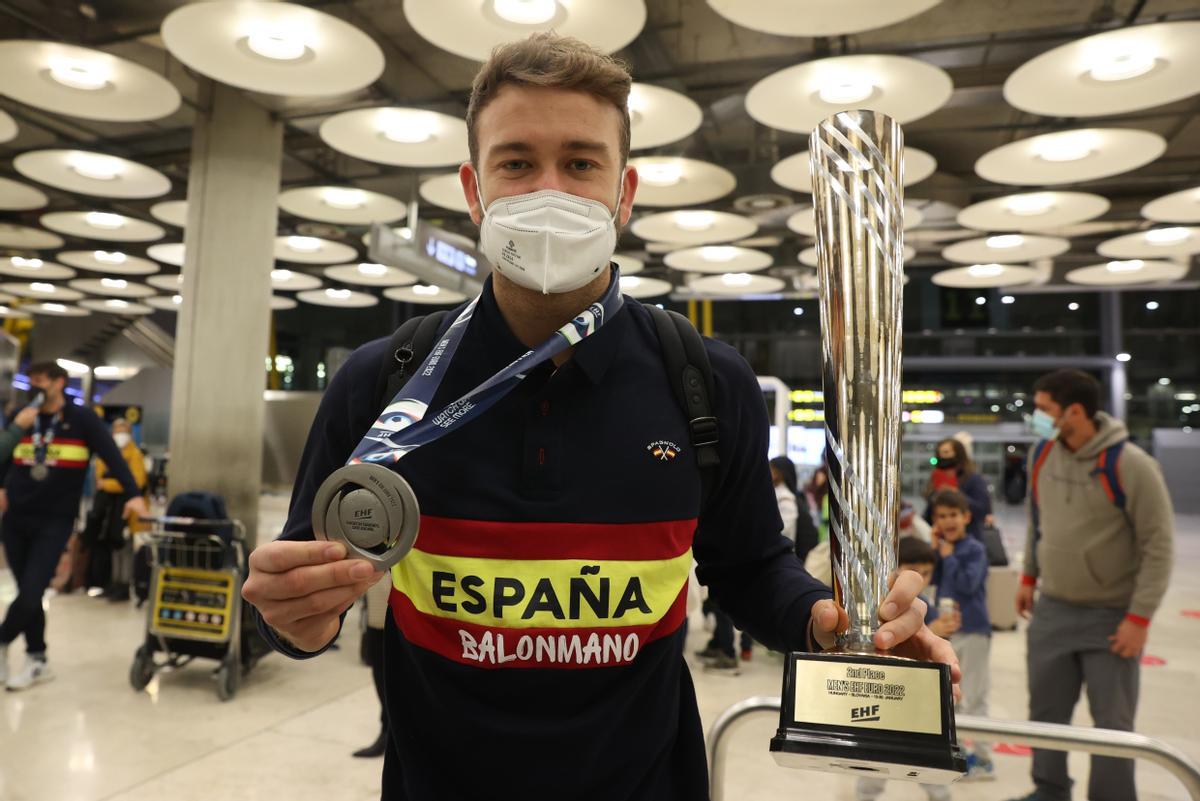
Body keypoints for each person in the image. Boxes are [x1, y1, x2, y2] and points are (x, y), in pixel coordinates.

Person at [242, 33, 958, 801]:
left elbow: (747, 566)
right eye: (516, 162)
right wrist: (294, 621)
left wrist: (829, 619)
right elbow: (302, 581)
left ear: (625, 191)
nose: (549, 189)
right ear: (473, 190)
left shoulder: (703, 382)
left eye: (581, 162)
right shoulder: (382, 382)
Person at [1010, 369, 1174, 801]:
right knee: (1045, 714)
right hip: (1053, 610)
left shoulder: (1131, 465)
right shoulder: (1043, 454)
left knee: (1113, 726)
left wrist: (1139, 618)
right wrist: (1029, 577)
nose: (1036, 416)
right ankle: (1049, 790)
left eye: (1044, 408)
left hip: (1112, 618)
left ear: (1075, 411)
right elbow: (1037, 521)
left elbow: (1159, 547)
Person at [0, 362, 148, 690]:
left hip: (55, 520)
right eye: (33, 382)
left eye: (42, 382)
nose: (36, 388)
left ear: (59, 383)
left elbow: (113, 457)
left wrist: (134, 494)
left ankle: (2, 640)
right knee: (27, 590)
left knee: (32, 590)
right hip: (16, 518)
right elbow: (5, 458)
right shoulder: (23, 418)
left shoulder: (82, 420)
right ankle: (38, 659)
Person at [857, 535, 958, 801]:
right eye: (914, 572)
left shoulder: (929, 607)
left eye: (927, 572)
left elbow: (936, 648)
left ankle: (939, 794)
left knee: (926, 760)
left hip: (917, 700)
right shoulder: (880, 606)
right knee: (872, 761)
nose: (922, 579)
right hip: (883, 694)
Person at [930, 488, 993, 781]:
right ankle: (959, 750)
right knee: (954, 696)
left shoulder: (974, 549)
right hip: (950, 632)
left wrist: (949, 557)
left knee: (976, 696)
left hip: (974, 630)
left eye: (953, 515)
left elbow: (968, 584)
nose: (948, 521)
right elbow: (933, 583)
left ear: (966, 517)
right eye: (942, 516)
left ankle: (983, 758)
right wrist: (937, 553)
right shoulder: (943, 549)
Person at [80, 418, 148, 601]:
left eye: (123, 430)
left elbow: (136, 482)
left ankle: (125, 584)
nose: (120, 435)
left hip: (127, 511)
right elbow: (98, 479)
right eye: (117, 430)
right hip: (109, 512)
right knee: (112, 548)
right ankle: (112, 582)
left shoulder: (135, 454)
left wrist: (109, 484)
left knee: (124, 549)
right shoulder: (106, 454)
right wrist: (117, 484)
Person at [923, 437, 992, 541]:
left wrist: (956, 494)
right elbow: (930, 513)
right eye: (940, 453)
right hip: (941, 539)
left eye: (946, 452)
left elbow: (982, 509)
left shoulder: (973, 479)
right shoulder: (935, 479)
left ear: (959, 454)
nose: (942, 457)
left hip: (969, 538)